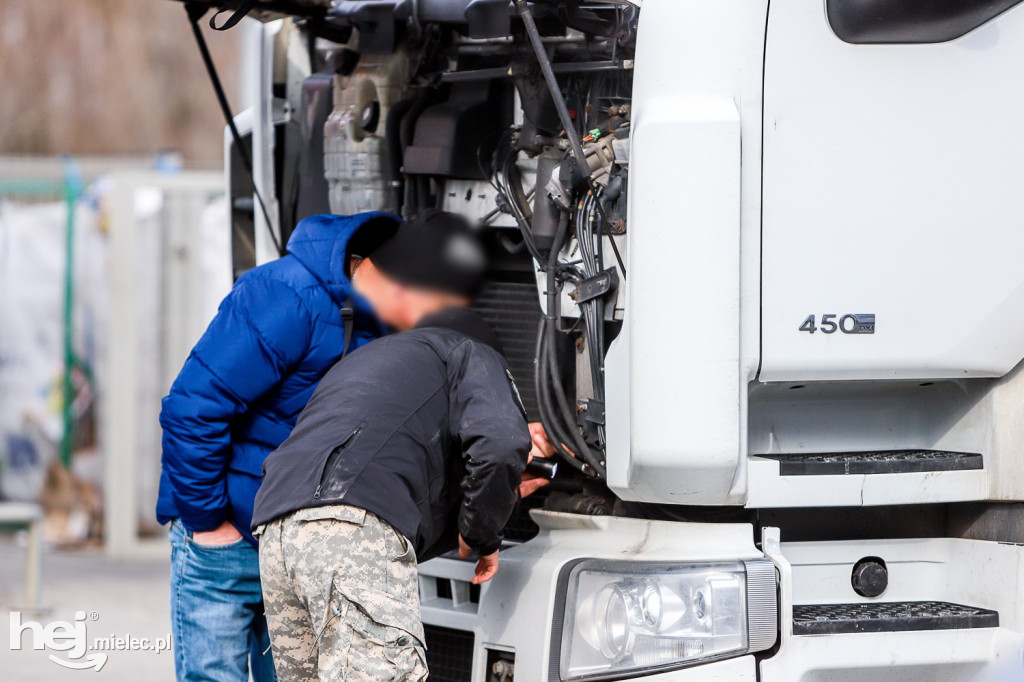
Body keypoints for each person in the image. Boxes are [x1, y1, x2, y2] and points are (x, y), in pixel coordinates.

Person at [251, 210, 540, 682]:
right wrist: (481, 532)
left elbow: (384, 456)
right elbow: (503, 441)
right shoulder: (471, 351)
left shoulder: (368, 363)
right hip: (349, 526)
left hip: (277, 529)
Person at [157, 210, 401, 682]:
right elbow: (193, 406)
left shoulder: (388, 322)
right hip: (228, 541)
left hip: (304, 553)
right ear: (360, 263)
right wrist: (208, 523)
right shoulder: (285, 295)